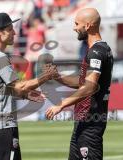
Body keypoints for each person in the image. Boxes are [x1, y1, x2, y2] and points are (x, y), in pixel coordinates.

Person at [0, 12, 56, 160]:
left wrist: (25, 94)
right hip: (3, 124)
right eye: (10, 29)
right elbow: (20, 85)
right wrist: (46, 77)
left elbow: (1, 88)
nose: (14, 32)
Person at [45, 8, 114, 160]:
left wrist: (61, 104)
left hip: (90, 123)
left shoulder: (97, 52)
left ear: (88, 25)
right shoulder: (98, 50)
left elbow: (90, 86)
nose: (74, 27)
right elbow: (83, 81)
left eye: (77, 23)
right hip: (83, 122)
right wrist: (58, 77)